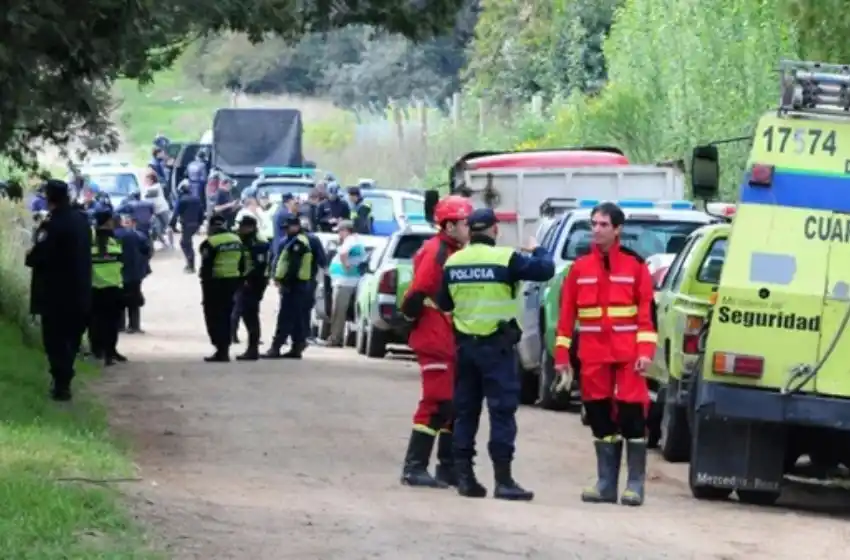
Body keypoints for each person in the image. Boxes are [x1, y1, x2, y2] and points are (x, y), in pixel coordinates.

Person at [437, 208, 555, 501]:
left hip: (466, 348)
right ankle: (503, 481)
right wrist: (538, 248)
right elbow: (545, 269)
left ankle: (465, 478)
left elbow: (444, 302)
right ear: (495, 230)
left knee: (466, 413)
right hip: (497, 348)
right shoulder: (506, 259)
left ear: (470, 230)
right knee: (502, 413)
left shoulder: (453, 262)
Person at [552, 202, 656, 507]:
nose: (596, 230)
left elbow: (646, 317)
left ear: (618, 229)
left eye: (603, 225)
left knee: (632, 414)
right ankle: (606, 483)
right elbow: (566, 317)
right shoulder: (579, 269)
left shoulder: (636, 267)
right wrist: (561, 357)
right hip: (593, 356)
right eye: (593, 224)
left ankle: (635, 484)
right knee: (598, 416)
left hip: (627, 357)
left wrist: (645, 352)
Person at [399, 195, 473, 488]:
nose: (470, 228)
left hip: (444, 333)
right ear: (450, 225)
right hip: (434, 335)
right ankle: (414, 466)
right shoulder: (438, 252)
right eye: (466, 222)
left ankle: (447, 467)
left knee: (452, 403)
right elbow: (417, 293)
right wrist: (413, 322)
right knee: (438, 401)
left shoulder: (451, 250)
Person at [26, 180, 93, 401]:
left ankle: (61, 381)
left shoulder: (51, 224)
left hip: (55, 293)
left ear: (49, 197)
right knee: (72, 337)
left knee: (54, 339)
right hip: (80, 290)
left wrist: (31, 256)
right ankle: (65, 376)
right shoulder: (82, 222)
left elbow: (39, 255)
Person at [263, 215, 313, 359]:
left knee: (285, 318)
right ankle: (297, 346)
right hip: (297, 285)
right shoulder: (294, 241)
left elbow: (293, 266)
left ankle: (276, 348)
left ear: (297, 226)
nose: (286, 231)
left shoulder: (298, 243)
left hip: (294, 285)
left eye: (288, 228)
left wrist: (285, 282)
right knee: (296, 318)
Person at [199, 214, 245, 362]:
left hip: (215, 283)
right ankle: (225, 347)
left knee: (213, 315)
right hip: (233, 282)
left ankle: (220, 348)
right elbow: (243, 263)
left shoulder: (210, 242)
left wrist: (205, 283)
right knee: (227, 314)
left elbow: (206, 267)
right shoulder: (237, 240)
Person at [89, 209, 127, 365]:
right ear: (109, 221)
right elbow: (123, 262)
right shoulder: (115, 241)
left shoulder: (90, 241)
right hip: (113, 287)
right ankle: (110, 352)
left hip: (94, 287)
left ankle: (98, 351)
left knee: (96, 321)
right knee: (112, 323)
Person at [233, 215, 271, 360]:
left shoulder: (258, 243)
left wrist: (249, 281)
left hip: (254, 283)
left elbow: (259, 266)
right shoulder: (245, 240)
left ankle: (253, 349)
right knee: (246, 313)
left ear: (250, 227)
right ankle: (251, 348)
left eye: (243, 226)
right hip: (246, 281)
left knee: (250, 315)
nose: (240, 229)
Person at [325, 221, 366, 346]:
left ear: (346, 230)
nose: (339, 234)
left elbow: (343, 254)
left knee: (338, 312)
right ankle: (337, 337)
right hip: (346, 281)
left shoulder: (350, 240)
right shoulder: (356, 240)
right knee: (340, 312)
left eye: (339, 231)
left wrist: (345, 265)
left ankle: (335, 338)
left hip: (344, 282)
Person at [115, 212, 152, 334]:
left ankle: (120, 325)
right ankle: (134, 325)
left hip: (116, 273)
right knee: (134, 299)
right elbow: (147, 250)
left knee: (119, 300)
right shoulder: (136, 235)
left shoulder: (111, 237)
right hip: (135, 272)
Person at [170, 180, 204, 273]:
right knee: (186, 243)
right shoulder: (196, 199)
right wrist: (200, 224)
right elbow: (201, 212)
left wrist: (172, 225)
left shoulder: (181, 200)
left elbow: (175, 213)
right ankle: (190, 264)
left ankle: (191, 266)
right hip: (195, 224)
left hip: (187, 224)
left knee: (185, 244)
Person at [142, 170, 172, 248]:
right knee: (157, 229)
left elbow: (146, 196)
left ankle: (171, 244)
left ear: (152, 180)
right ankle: (165, 244)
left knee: (168, 226)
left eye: (147, 179)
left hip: (162, 210)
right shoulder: (147, 188)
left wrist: (143, 191)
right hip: (154, 212)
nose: (146, 181)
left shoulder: (157, 187)